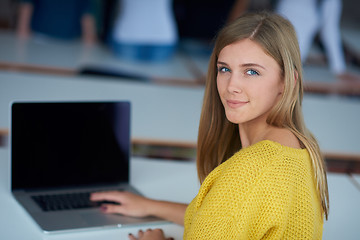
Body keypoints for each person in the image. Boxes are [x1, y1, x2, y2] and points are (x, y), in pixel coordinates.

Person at [91, 11, 329, 239]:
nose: (231, 85)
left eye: (252, 72)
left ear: (287, 82)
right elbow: (228, 219)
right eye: (224, 69)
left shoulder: (248, 172)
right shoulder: (301, 147)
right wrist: (149, 206)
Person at [276, 0, 360, 82]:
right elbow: (329, 32)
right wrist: (339, 69)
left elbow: (329, 31)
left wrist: (339, 69)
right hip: (284, 59)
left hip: (285, 59)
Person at [16, 0, 97, 45]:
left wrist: (89, 49)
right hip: (38, 39)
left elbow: (87, 18)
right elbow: (26, 7)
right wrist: (22, 43)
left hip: (69, 43)